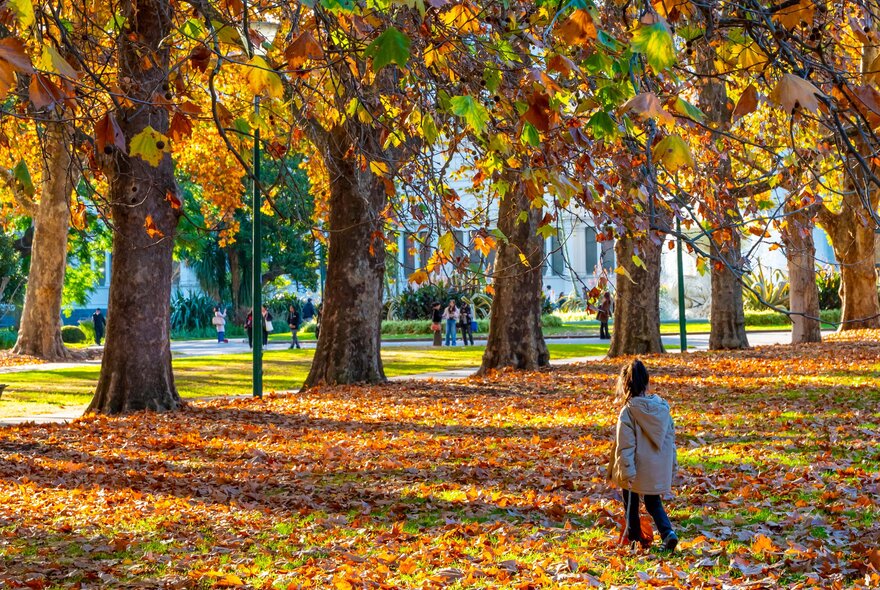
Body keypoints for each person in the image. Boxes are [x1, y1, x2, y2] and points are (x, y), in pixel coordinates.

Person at [607, 359, 679, 552]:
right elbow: (669, 441)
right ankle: (668, 533)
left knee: (630, 500)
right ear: (647, 382)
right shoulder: (662, 409)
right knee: (652, 501)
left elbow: (626, 445)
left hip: (637, 466)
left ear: (625, 385)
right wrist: (672, 466)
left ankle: (634, 537)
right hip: (656, 466)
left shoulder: (628, 412)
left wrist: (627, 472)